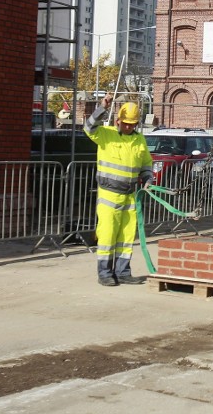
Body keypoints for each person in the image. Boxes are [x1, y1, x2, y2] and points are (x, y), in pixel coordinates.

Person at [84, 94, 153, 286]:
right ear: (118, 121)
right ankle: (104, 273)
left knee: (126, 236)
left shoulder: (139, 140)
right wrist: (101, 108)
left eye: (132, 124)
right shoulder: (106, 134)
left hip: (130, 194)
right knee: (107, 235)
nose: (129, 127)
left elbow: (146, 162)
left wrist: (148, 177)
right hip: (109, 194)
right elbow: (88, 127)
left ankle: (123, 272)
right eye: (126, 123)